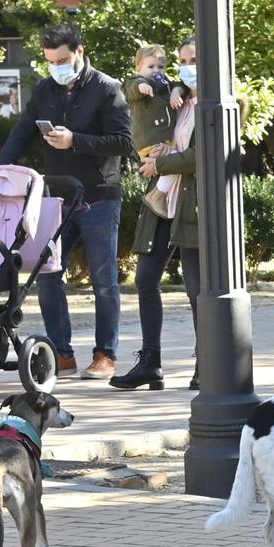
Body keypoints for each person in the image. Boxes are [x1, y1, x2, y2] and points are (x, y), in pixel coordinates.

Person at [0, 24, 133, 379]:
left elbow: (122, 142)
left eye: (63, 60)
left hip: (100, 196)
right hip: (57, 198)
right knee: (47, 272)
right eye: (50, 61)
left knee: (104, 280)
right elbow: (23, 130)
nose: (57, 67)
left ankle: (106, 354)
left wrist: (76, 140)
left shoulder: (107, 89)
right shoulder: (44, 90)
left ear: (80, 52)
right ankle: (61, 352)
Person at [114, 42, 200, 391]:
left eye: (194, 60)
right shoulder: (175, 101)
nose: (186, 66)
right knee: (146, 280)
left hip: (193, 205)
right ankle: (151, 363)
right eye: (182, 61)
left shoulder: (223, 105)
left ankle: (207, 364)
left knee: (197, 289)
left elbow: (202, 154)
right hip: (164, 201)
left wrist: (159, 163)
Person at [125, 43, 180, 160]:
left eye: (160, 67)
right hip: (148, 142)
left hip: (167, 139)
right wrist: (142, 87)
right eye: (151, 67)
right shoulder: (135, 80)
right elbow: (133, 88)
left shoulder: (165, 82)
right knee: (163, 163)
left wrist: (176, 92)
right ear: (138, 68)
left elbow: (179, 85)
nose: (156, 71)